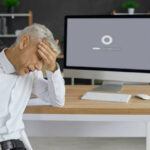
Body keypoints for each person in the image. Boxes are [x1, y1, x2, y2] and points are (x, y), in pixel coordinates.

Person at [0, 23, 65, 150]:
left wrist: (52, 67)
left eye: (44, 61)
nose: (39, 67)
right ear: (24, 42)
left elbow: (57, 101)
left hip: (16, 144)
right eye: (40, 57)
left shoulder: (32, 74)